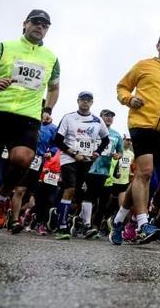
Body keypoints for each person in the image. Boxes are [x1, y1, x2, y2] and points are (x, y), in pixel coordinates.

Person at [0, 10, 60, 238]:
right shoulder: (3, 46)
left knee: (23, 158)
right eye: (36, 22)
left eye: (45, 25)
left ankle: (2, 197)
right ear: (25, 24)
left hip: (27, 115)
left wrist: (47, 110)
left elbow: (54, 88)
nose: (40, 27)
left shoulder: (52, 58)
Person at [110, 33, 160, 245]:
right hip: (142, 124)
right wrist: (129, 99)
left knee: (150, 181)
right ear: (158, 45)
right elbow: (122, 87)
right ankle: (143, 224)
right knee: (144, 173)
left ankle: (118, 221)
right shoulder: (143, 65)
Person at [52, 92, 110, 240]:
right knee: (69, 188)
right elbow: (58, 140)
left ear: (92, 102)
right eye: (83, 100)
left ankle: (80, 223)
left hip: (86, 160)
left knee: (81, 193)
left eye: (88, 100)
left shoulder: (97, 121)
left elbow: (105, 140)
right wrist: (73, 153)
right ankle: (62, 226)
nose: (85, 102)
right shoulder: (68, 117)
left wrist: (97, 152)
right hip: (69, 159)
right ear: (78, 101)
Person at [87, 109, 123, 233]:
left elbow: (120, 152)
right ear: (100, 116)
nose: (109, 118)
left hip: (105, 172)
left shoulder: (116, 135)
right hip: (89, 169)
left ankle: (95, 227)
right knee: (88, 198)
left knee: (103, 201)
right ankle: (84, 222)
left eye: (111, 116)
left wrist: (117, 156)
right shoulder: (93, 129)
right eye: (106, 116)